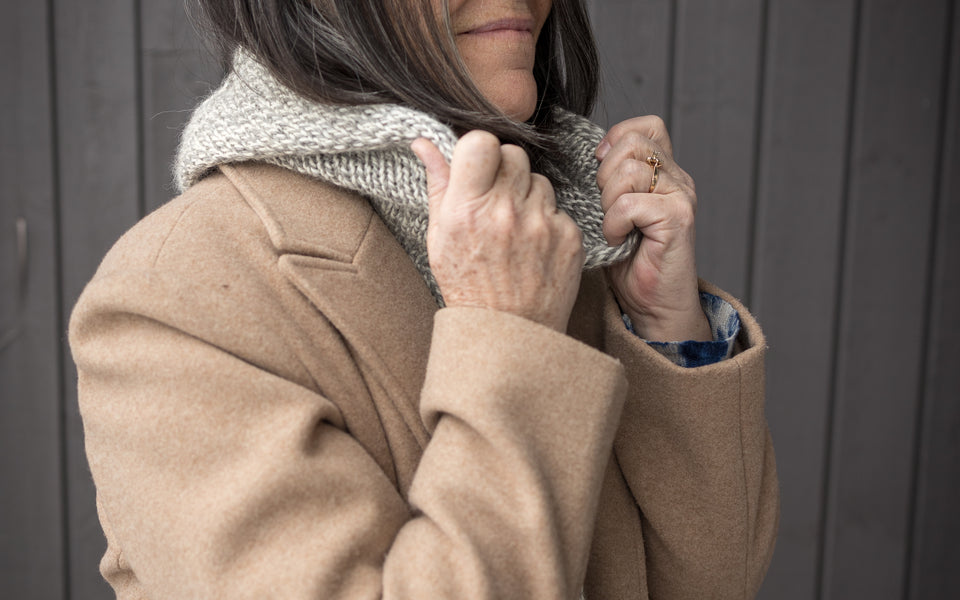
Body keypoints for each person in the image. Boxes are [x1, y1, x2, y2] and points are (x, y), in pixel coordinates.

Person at [69, 0, 779, 598]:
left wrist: (664, 324)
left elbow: (711, 582)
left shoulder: (559, 237)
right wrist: (508, 335)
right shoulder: (173, 297)